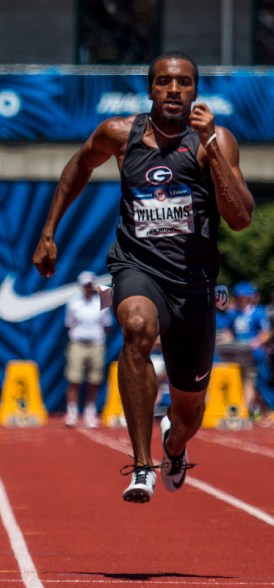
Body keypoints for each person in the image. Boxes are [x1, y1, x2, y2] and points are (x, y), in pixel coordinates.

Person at [33, 51, 254, 504]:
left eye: (184, 83)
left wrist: (211, 149)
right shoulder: (119, 134)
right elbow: (78, 166)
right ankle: (141, 464)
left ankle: (173, 443)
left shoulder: (217, 141)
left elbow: (240, 218)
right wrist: (49, 231)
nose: (174, 91)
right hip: (138, 267)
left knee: (190, 412)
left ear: (196, 90)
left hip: (194, 284)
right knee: (136, 326)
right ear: (149, 88)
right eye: (165, 83)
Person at [63, 271, 113, 428]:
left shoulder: (102, 303)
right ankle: (72, 412)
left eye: (90, 285)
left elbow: (107, 326)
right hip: (77, 344)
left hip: (96, 345)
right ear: (80, 286)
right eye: (85, 285)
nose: (88, 288)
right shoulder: (73, 304)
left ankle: (89, 412)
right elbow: (68, 325)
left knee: (94, 380)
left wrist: (96, 338)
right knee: (74, 379)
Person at [218, 281, 271, 419]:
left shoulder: (258, 312)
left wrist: (256, 342)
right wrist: (228, 339)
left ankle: (247, 412)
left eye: (244, 297)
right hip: (235, 354)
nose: (242, 299)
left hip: (254, 355)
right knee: (238, 383)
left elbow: (266, 332)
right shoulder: (233, 313)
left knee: (255, 384)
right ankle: (241, 412)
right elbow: (228, 330)